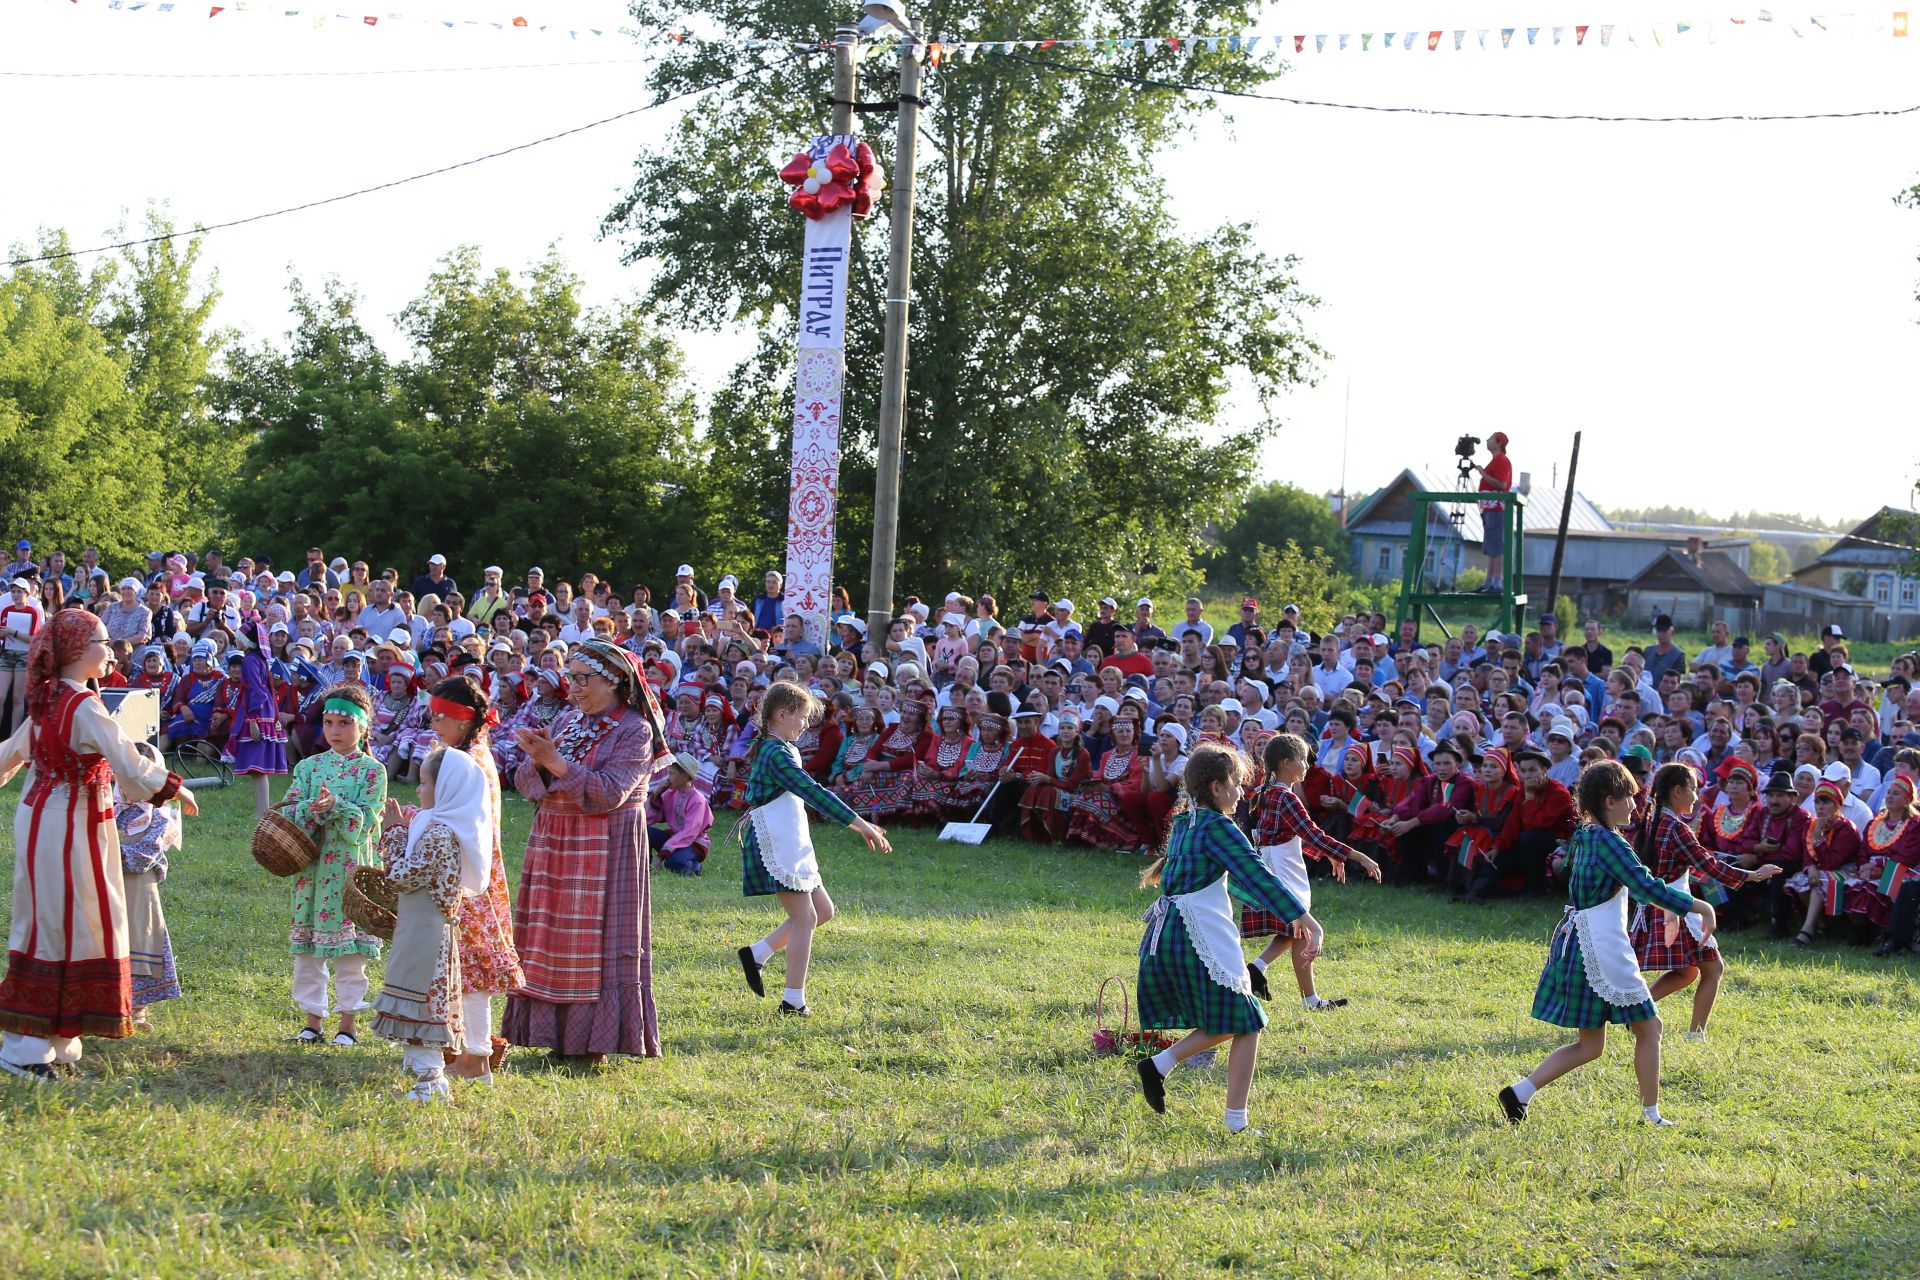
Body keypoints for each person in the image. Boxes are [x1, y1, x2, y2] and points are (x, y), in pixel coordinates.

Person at [0, 611, 198, 1081]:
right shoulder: (83, 706)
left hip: (45, 817)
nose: (109, 650)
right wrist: (175, 787)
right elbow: (129, 762)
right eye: (102, 642)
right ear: (73, 650)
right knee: (63, 920)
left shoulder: (49, 699)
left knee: (55, 917)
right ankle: (23, 1046)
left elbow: (12, 752)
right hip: (67, 822)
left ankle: (52, 1036)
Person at [1499, 760, 1718, 1128]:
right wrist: (1701, 905)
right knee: (1650, 1027)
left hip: (1579, 942)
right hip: (1601, 946)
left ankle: (1519, 1093)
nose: (1635, 805)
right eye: (1629, 798)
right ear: (1608, 800)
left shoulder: (1584, 834)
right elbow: (1646, 886)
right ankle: (1652, 1116)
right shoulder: (1609, 841)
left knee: (1591, 1045)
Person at [1132, 743, 1324, 1135]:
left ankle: (1159, 1066)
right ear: (1217, 787)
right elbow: (1256, 876)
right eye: (1237, 784)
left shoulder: (1186, 821)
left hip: (1173, 932)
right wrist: (1306, 920)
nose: (1241, 792)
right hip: (1197, 932)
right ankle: (1235, 1121)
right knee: (1246, 1019)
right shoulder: (1219, 827)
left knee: (1237, 1017)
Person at [504, 639, 670, 1065]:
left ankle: (593, 1042)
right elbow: (524, 784)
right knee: (551, 935)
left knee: (598, 943)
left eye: (584, 679)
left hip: (607, 843)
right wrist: (539, 760)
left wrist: (556, 763)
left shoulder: (636, 730)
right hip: (557, 841)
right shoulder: (569, 720)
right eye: (571, 678)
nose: (575, 688)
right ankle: (552, 1034)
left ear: (614, 682)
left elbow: (610, 793)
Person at [735, 681, 893, 1017]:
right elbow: (812, 791)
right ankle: (793, 1000)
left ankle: (757, 953)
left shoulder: (784, 748)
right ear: (781, 714)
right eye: (803, 717)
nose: (806, 724)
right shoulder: (774, 753)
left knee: (822, 911)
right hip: (774, 842)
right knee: (805, 917)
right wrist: (860, 824)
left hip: (792, 839)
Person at [371, 746, 493, 1103]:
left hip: (426, 939)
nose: (418, 790)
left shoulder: (440, 835)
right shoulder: (435, 829)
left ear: (449, 788)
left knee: (421, 1004)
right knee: (413, 1001)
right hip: (417, 930)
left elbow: (401, 876)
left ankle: (430, 1082)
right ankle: (423, 1072)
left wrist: (393, 832)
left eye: (424, 783)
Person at [1628, 764, 1781, 1041]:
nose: (1696, 797)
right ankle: (1695, 1035)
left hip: (1656, 906)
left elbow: (1694, 864)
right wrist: (1753, 876)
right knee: (1713, 968)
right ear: (1677, 791)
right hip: (1677, 908)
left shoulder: (1651, 821)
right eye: (1693, 789)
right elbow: (1709, 866)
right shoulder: (1676, 827)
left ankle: (1636, 1012)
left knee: (1687, 972)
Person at [423, 675, 524, 1082]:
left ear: (464, 721)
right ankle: (466, 1048)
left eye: (441, 717)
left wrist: (412, 825)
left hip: (468, 875)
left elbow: (452, 820)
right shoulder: (472, 753)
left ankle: (477, 1055)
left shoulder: (468, 761)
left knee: (472, 967)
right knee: (461, 966)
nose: (434, 725)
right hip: (474, 869)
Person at [280, 682, 387, 1047]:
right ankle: (312, 1022)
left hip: (347, 871)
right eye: (328, 723)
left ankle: (348, 1025)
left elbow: (368, 822)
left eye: (344, 723)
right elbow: (289, 807)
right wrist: (308, 809)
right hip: (311, 871)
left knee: (350, 952)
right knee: (309, 951)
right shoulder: (310, 767)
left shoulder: (373, 771)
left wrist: (337, 806)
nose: (335, 731)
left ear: (363, 727)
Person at [1241, 733, 1381, 1010]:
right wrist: (1357, 856)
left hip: (1274, 863)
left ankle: (1265, 972)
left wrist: (1331, 856)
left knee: (1294, 932)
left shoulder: (1264, 792)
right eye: (1302, 760)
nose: (1307, 766)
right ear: (1286, 763)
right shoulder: (1285, 798)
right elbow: (1312, 835)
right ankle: (1308, 999)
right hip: (1282, 869)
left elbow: (1285, 836)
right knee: (1301, 930)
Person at [115, 743, 184, 1027]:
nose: (131, 785)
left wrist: (106, 850)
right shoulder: (107, 806)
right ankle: (107, 1004)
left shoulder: (158, 816)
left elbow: (143, 858)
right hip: (106, 888)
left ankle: (137, 1009)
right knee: (109, 942)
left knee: (139, 943)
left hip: (139, 894)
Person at [231, 631, 291, 816]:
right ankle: (263, 809)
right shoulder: (257, 658)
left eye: (239, 637)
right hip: (263, 711)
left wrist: (252, 720)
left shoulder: (249, 660)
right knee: (257, 768)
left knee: (257, 765)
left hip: (256, 712)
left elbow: (257, 691)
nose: (236, 640)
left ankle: (263, 810)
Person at [648, 751, 715, 876]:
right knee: (644, 832)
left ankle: (695, 867)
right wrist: (656, 795)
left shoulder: (697, 800)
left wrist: (661, 855)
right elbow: (649, 817)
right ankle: (647, 864)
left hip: (693, 843)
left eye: (671, 773)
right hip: (675, 838)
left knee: (672, 862)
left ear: (685, 776)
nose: (668, 778)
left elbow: (689, 833)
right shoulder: (670, 793)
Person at [1469, 432, 1513, 592]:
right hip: (1490, 507)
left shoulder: (1502, 461)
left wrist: (1482, 473)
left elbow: (1502, 485)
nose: (1487, 441)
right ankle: (1490, 581)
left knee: (1496, 545)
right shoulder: (1496, 461)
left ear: (1499, 443)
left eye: (1491, 438)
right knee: (1491, 545)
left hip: (1496, 506)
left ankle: (1496, 581)